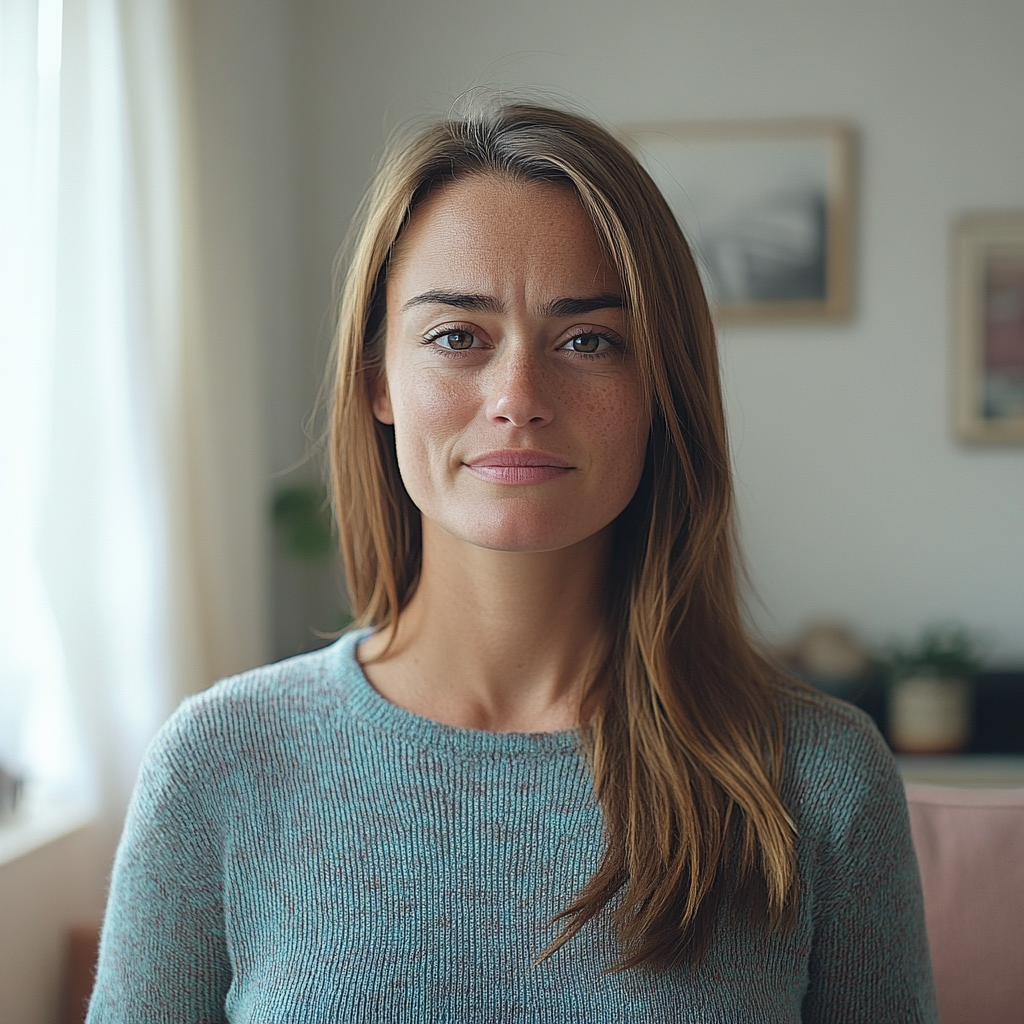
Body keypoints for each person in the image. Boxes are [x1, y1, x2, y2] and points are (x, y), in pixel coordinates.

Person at [87, 101, 937, 1022]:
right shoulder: (219, 765)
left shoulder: (817, 780)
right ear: (378, 378)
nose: (519, 397)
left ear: (662, 385)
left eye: (588, 340)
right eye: (459, 336)